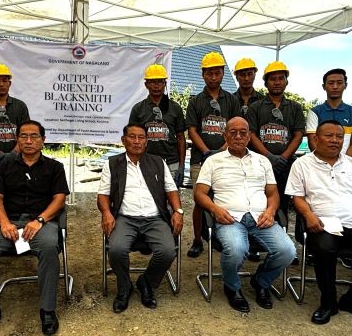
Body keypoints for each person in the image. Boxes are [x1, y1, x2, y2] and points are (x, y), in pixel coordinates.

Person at [287, 120, 352, 326]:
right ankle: (328, 303)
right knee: (325, 249)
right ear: (316, 139)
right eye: (329, 136)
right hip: (323, 224)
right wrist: (308, 215)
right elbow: (297, 197)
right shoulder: (301, 164)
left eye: (339, 137)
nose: (335, 140)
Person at [0, 120, 70, 336]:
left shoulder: (55, 167)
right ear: (17, 140)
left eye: (34, 136)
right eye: (24, 136)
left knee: (48, 246)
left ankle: (47, 310)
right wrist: (5, 223)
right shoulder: (4, 166)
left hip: (39, 223)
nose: (29, 141)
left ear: (43, 141)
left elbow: (59, 199)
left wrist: (40, 220)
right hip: (10, 221)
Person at [194, 117, 296, 313]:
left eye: (243, 132)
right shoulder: (213, 161)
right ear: (225, 136)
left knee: (288, 252)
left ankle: (261, 282)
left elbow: (273, 193)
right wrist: (215, 210)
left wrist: (271, 211)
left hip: (261, 217)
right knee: (237, 249)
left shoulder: (262, 161)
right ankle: (232, 287)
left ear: (250, 136)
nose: (238, 136)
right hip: (229, 218)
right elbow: (199, 193)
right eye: (233, 132)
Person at [98, 124, 183, 313]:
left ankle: (147, 283)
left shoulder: (158, 162)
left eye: (141, 137)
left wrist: (178, 211)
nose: (137, 141)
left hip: (154, 218)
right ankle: (124, 286)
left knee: (168, 251)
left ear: (146, 141)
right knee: (117, 249)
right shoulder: (112, 164)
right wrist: (106, 213)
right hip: (125, 218)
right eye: (132, 137)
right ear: (123, 140)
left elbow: (171, 190)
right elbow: (103, 195)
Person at [185, 51, 239, 258]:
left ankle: (219, 235)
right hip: (201, 159)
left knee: (222, 199)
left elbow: (236, 128)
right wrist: (207, 151)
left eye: (217, 73)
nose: (213, 77)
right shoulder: (196, 101)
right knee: (200, 201)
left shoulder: (231, 101)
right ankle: (198, 240)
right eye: (209, 73)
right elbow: (192, 130)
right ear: (203, 75)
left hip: (227, 158)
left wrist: (223, 149)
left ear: (223, 74)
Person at [246, 61, 305, 216]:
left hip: (285, 165)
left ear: (286, 81)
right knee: (258, 200)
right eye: (273, 79)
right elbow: (251, 134)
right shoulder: (256, 107)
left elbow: (298, 134)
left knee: (282, 203)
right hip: (259, 163)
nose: (277, 82)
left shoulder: (295, 107)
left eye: (281, 78)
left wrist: (283, 157)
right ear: (266, 83)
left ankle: (281, 230)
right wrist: (268, 156)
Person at [129, 64, 187, 187]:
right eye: (152, 82)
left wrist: (181, 166)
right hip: (146, 162)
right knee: (148, 199)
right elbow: (132, 139)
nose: (156, 85)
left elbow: (181, 137)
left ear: (165, 84)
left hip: (171, 163)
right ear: (146, 85)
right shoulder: (138, 109)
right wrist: (133, 163)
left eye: (160, 82)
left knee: (171, 202)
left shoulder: (175, 108)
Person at [306, 68, 352, 157]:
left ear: (345, 85)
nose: (335, 86)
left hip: (346, 165)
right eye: (331, 83)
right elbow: (312, 140)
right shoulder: (314, 112)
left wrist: (345, 163)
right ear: (324, 86)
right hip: (320, 164)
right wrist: (323, 161)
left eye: (339, 83)